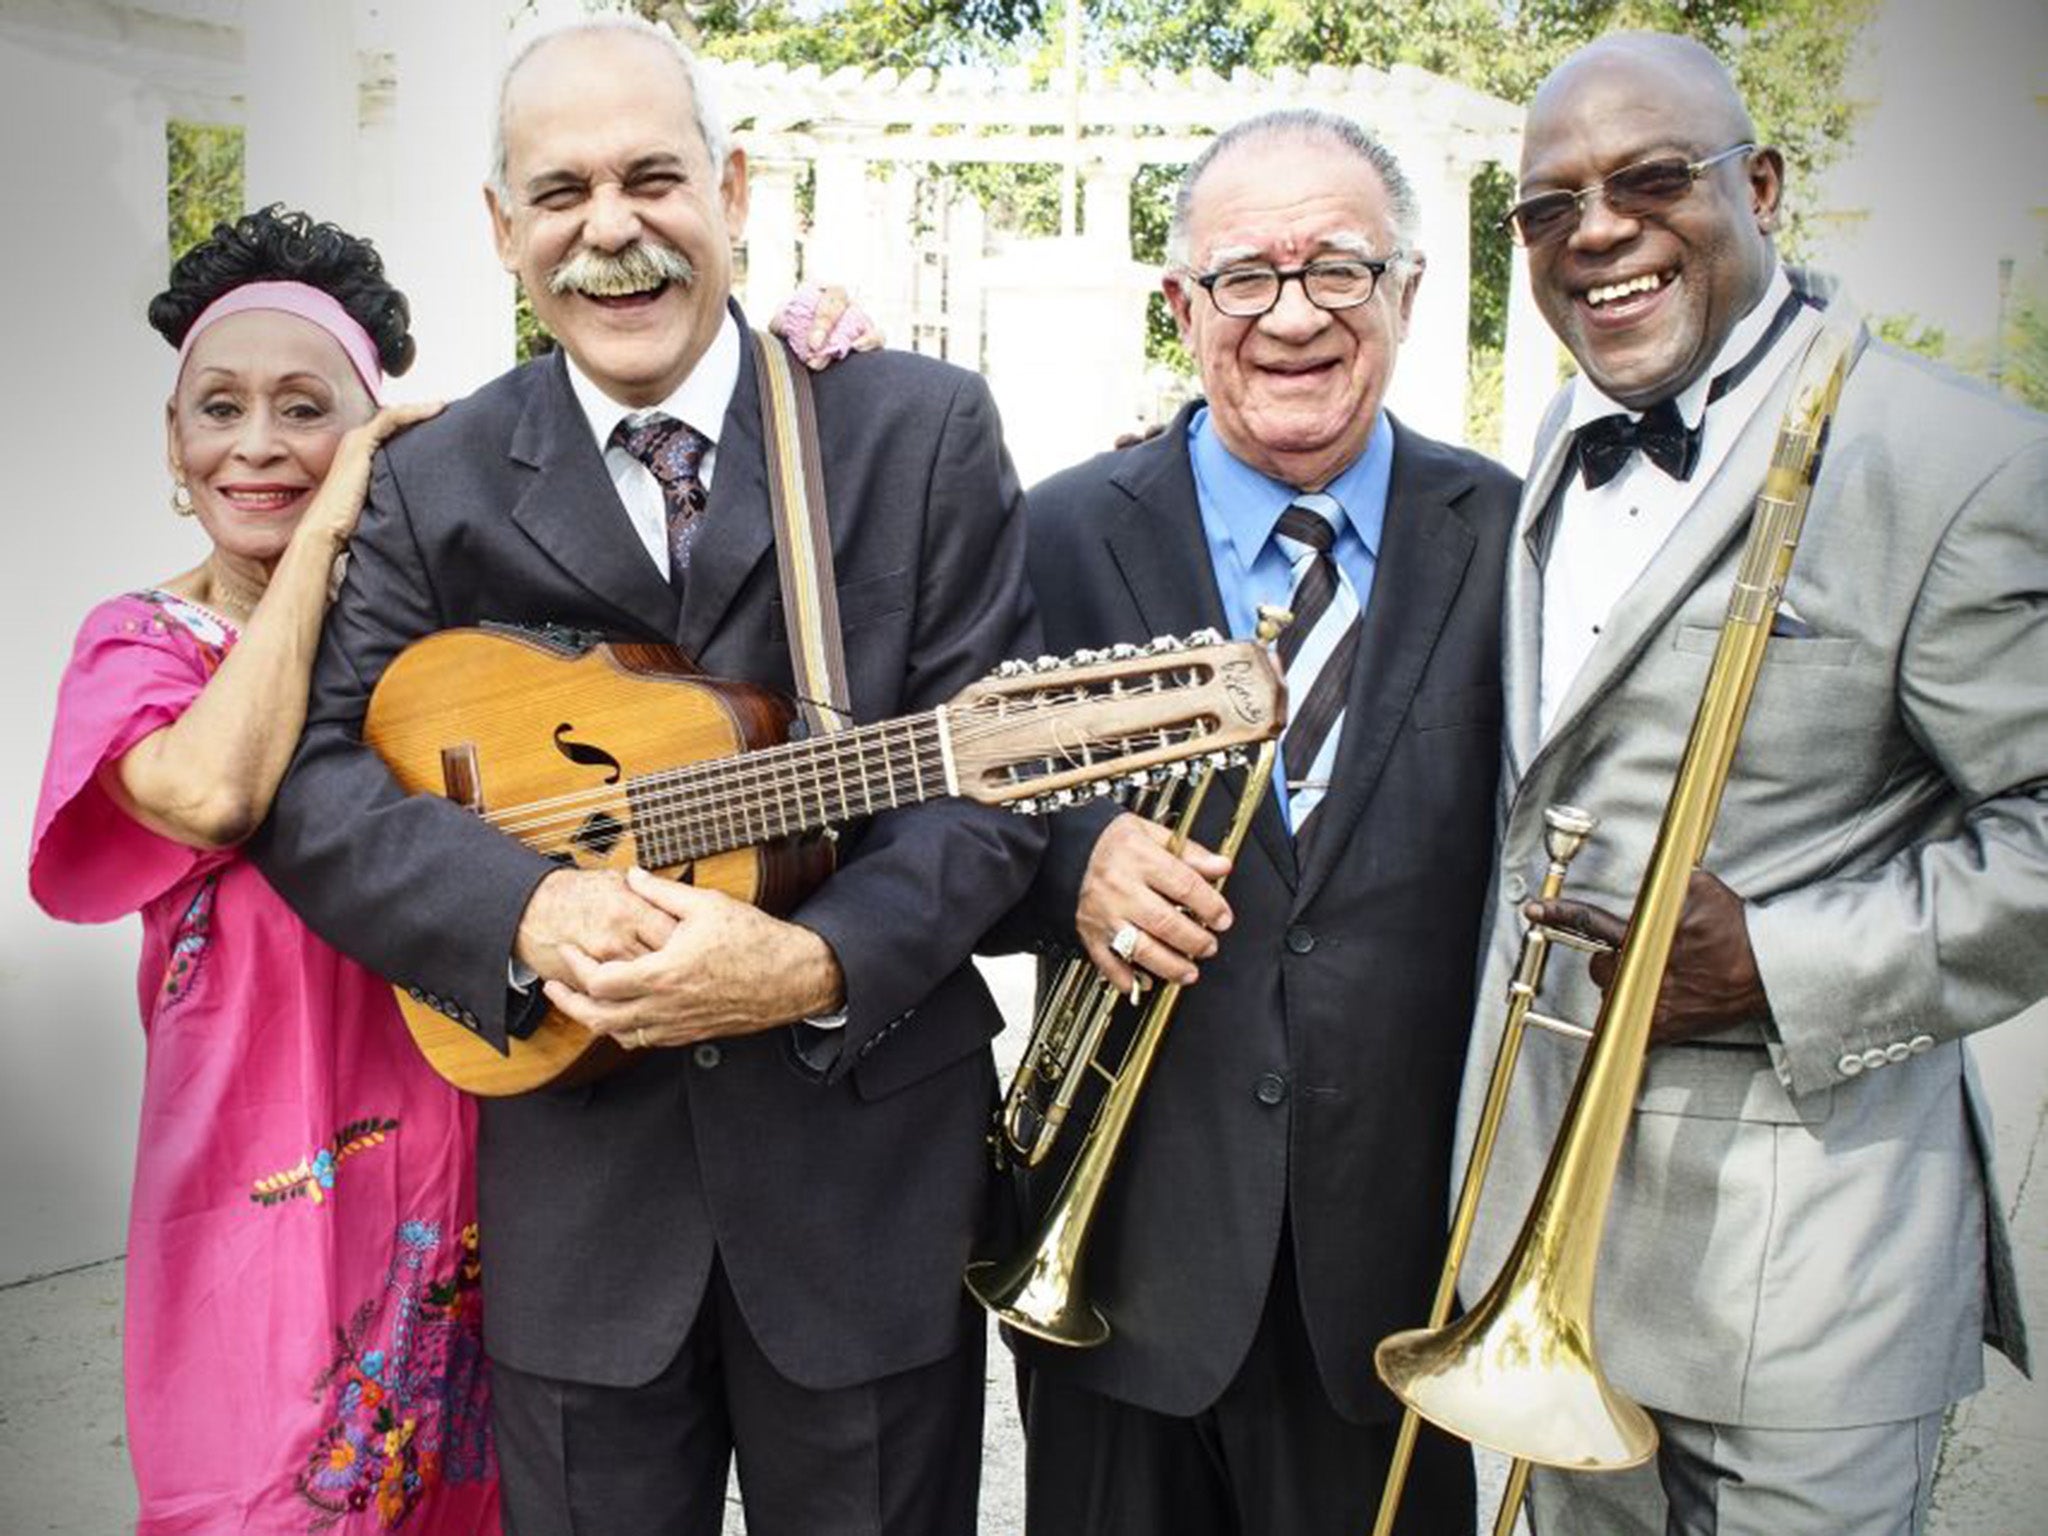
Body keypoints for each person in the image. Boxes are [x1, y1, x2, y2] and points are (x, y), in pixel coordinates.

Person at [249, 17, 1041, 1536]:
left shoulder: (915, 431)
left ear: (734, 193)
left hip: (864, 1184)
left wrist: (810, 962)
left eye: (653, 178)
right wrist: (525, 912)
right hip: (582, 1208)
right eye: (559, 194)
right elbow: (320, 786)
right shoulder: (431, 481)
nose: (609, 229)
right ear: (504, 232)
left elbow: (987, 789)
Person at [1454, 32, 2048, 1536]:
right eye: (1547, 208)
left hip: (1808, 1274)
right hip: (1560, 1248)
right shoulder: (1556, 439)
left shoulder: (1956, 460)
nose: (1596, 230)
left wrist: (1779, 961)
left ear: (1763, 187)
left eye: (1652, 179)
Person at [1001, 108, 1519, 1536]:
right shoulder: (1048, 532)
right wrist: (1069, 867)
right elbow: (946, 833)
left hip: (1396, 1279)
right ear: (1185, 306)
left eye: (1339, 271)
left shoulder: (1516, 541)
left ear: (1410, 294)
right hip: (1121, 1262)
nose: (1292, 316)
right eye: (1245, 277)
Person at [28, 207, 497, 1533]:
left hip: (453, 1163)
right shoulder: (138, 644)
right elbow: (217, 790)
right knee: (256, 1502)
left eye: (306, 410)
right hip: (244, 1188)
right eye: (218, 409)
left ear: (371, 419)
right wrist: (335, 518)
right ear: (173, 446)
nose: (256, 446)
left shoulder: (439, 647)